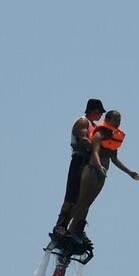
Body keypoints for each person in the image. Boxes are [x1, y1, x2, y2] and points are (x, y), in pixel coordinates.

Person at [60, 109, 139, 253]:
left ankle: (73, 231)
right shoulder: (100, 133)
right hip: (92, 170)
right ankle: (65, 229)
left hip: (102, 173)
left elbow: (114, 158)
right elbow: (95, 152)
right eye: (116, 119)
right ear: (108, 120)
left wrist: (129, 172)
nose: (118, 122)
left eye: (120, 120)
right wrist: (98, 166)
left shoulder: (113, 136)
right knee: (82, 200)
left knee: (88, 202)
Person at [51, 98, 105, 248]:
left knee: (85, 199)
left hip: (89, 164)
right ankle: (60, 226)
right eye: (100, 112)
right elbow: (83, 140)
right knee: (72, 195)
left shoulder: (95, 126)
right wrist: (97, 146)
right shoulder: (82, 122)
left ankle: (77, 229)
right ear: (94, 111)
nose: (101, 115)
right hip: (79, 160)